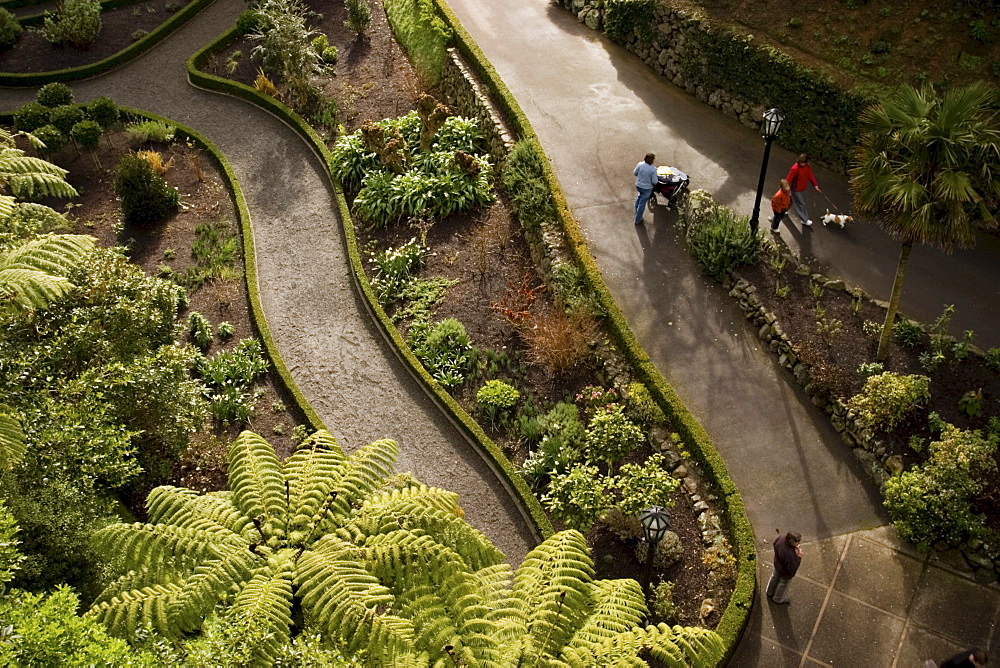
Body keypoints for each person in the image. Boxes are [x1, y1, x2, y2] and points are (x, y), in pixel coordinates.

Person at [765, 531, 802, 604]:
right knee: (783, 584)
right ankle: (778, 599)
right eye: (797, 542)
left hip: (777, 565)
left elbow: (774, 543)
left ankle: (769, 592)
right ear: (791, 542)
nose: (798, 543)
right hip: (785, 572)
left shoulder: (781, 538)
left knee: (774, 577)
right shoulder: (790, 554)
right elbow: (792, 568)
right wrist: (799, 557)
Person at [785, 153, 821, 227]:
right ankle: (804, 220)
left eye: (803, 163)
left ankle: (782, 211)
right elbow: (788, 179)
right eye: (801, 162)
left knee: (790, 200)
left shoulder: (807, 166)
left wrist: (815, 185)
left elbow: (810, 175)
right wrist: (786, 188)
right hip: (795, 189)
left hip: (799, 188)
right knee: (801, 204)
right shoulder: (795, 168)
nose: (802, 164)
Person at [633, 153, 658, 225]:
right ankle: (637, 220)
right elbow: (654, 181)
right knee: (642, 204)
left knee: (639, 196)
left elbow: (635, 173)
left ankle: (636, 210)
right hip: (647, 188)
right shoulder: (653, 169)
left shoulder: (640, 164)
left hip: (638, 185)